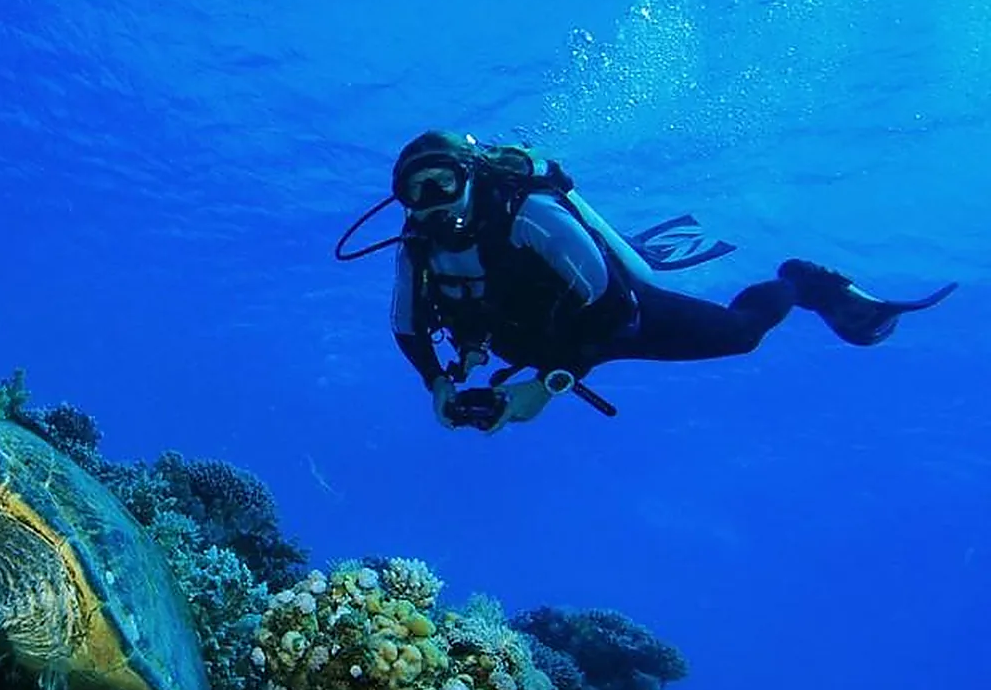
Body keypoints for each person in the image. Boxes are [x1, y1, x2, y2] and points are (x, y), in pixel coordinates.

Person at [334, 129, 959, 434]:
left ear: (469, 177)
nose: (428, 203)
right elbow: (408, 327)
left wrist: (546, 388)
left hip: (619, 314)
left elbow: (609, 314)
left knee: (743, 335)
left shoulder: (530, 214)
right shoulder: (418, 244)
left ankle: (803, 283)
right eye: (410, 193)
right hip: (530, 341)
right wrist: (438, 384)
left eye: (439, 182)